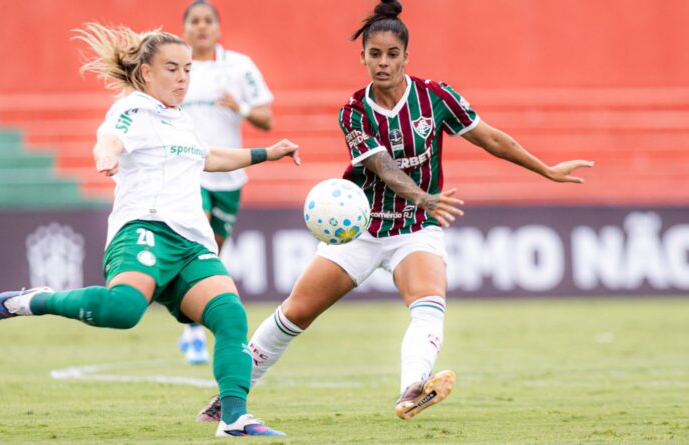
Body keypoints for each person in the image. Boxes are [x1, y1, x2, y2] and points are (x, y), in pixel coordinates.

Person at [196, 0, 594, 422]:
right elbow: (381, 166)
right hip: (361, 231)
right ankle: (230, 396)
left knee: (428, 302)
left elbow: (490, 138)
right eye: (375, 54)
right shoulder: (354, 112)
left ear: (406, 57)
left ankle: (413, 388)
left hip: (416, 229)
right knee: (295, 312)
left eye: (392, 54)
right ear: (362, 57)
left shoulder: (436, 97)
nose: (383, 63)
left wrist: (546, 169)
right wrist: (423, 195)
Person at [0, 23, 299, 437]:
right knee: (124, 310)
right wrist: (106, 155)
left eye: (187, 69)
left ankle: (234, 418)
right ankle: (35, 301)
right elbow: (109, 139)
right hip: (144, 227)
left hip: (191, 242)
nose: (183, 78)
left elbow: (208, 158)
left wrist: (266, 153)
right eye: (172, 68)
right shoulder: (133, 109)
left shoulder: (181, 120)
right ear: (146, 72)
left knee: (230, 316)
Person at [176, 0, 275, 365]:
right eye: (195, 21)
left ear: (217, 28)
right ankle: (192, 331)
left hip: (230, 175)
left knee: (213, 251)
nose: (201, 27)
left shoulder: (239, 66)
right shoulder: (176, 67)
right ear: (185, 29)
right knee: (199, 239)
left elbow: (266, 119)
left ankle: (191, 321)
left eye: (207, 21)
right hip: (191, 171)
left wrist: (241, 107)